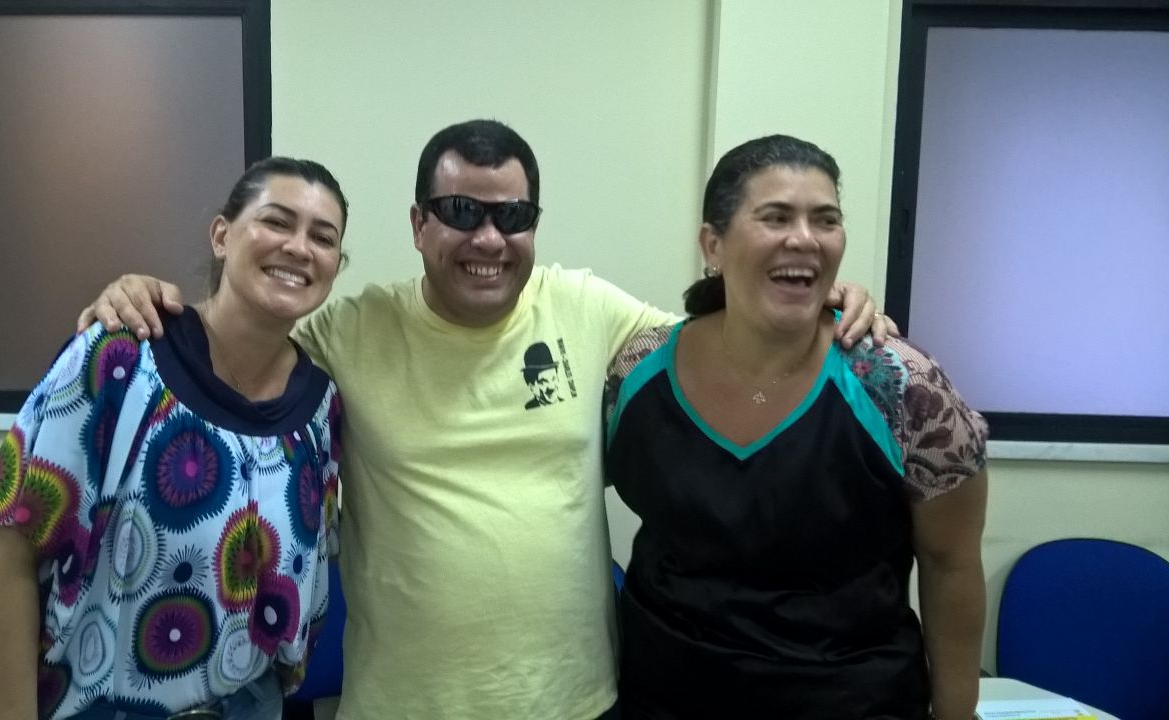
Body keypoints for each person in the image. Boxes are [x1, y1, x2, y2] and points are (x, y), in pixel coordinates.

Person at [77, 120, 893, 719]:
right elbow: (240, 342)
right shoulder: (351, 332)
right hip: (400, 707)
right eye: (462, 211)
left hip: (577, 704)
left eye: (514, 216)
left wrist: (817, 302)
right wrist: (145, 296)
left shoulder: (588, 309)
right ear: (418, 224)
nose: (490, 239)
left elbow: (723, 345)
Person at [603, 135, 989, 720]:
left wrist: (956, 715)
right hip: (664, 699)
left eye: (825, 219)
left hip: (856, 701)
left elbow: (950, 564)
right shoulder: (637, 371)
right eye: (776, 217)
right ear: (713, 244)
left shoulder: (904, 387)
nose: (805, 238)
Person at [0, 157, 348, 720]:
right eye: (276, 222)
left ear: (336, 265)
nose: (298, 248)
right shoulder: (119, 358)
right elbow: (2, 556)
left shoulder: (320, 408)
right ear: (222, 236)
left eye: (323, 237)